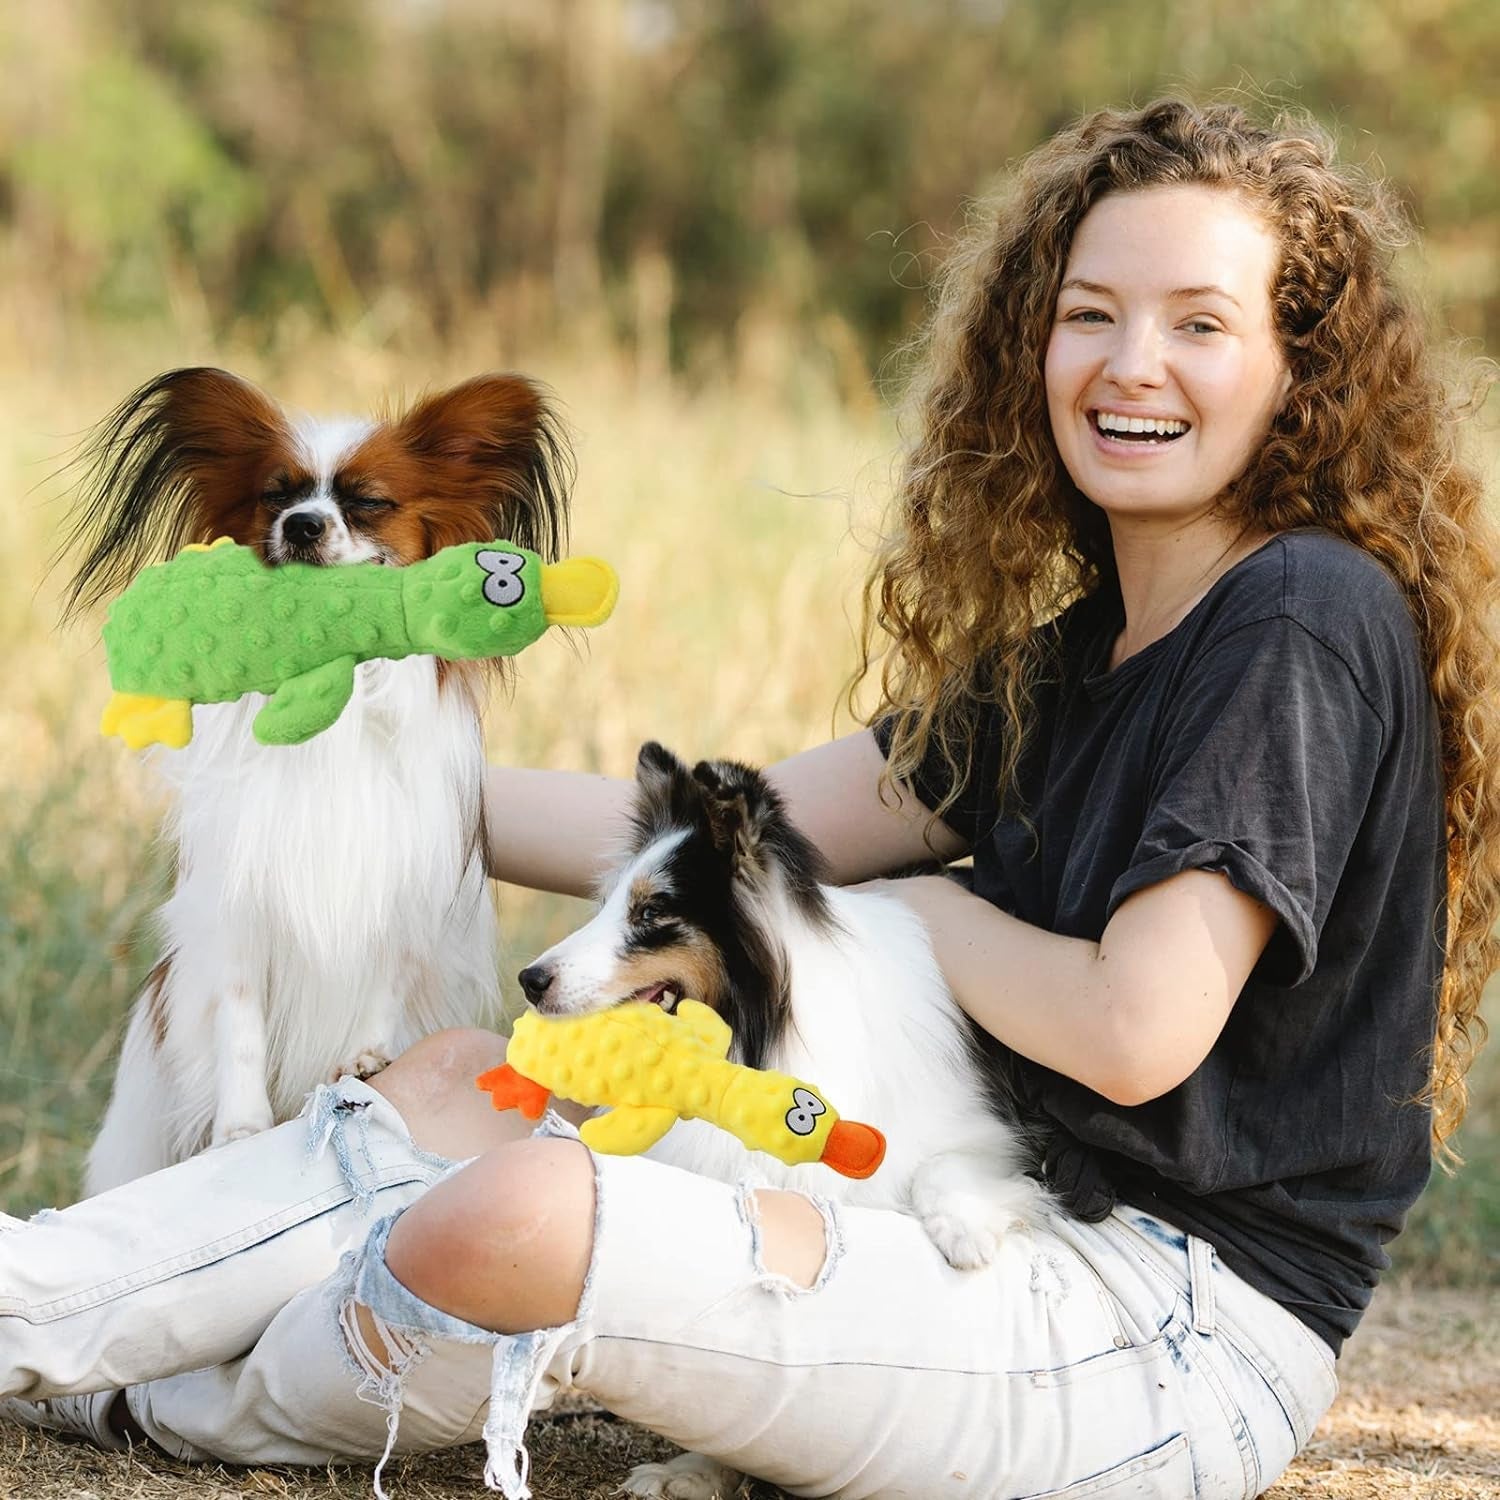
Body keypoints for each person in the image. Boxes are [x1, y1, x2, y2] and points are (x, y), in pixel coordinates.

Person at [4, 97, 1497, 1500]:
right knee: (471, 1078)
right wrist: (337, 775)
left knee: (521, 1214)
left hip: (1154, 1324)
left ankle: (141, 1394)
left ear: (1304, 369)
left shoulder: (1298, 617)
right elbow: (728, 850)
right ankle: (44, 1307)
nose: (1129, 364)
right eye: (1089, 314)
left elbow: (1134, 1028)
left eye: (1201, 324)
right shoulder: (1078, 658)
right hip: (943, 1205)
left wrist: (913, 914)